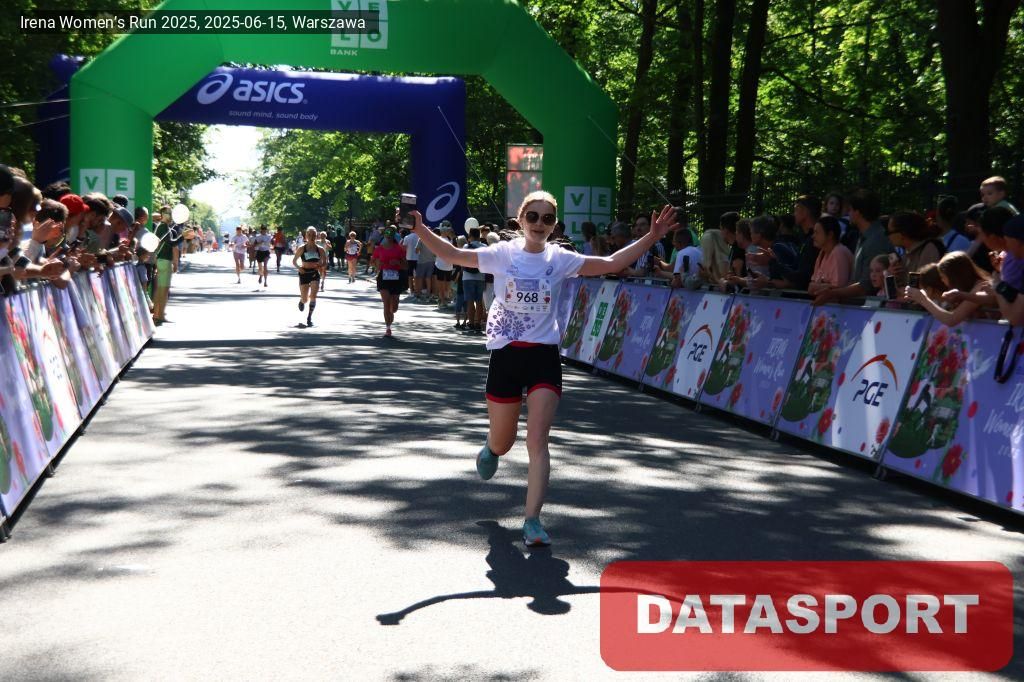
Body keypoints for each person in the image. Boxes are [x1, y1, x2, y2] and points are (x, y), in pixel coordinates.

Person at [406, 190, 678, 547]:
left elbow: (611, 262)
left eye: (547, 218)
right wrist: (420, 229)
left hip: (544, 357)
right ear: (521, 220)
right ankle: (492, 448)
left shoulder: (560, 259)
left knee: (537, 440)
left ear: (554, 225)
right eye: (532, 217)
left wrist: (652, 237)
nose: (539, 224)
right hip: (506, 355)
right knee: (503, 441)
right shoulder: (502, 254)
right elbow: (453, 255)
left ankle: (532, 520)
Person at [813, 189, 892, 305]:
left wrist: (832, 293)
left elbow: (865, 286)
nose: (847, 214)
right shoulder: (864, 237)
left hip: (869, 309)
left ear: (857, 212)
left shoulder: (875, 241)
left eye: (849, 210)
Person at [904, 252, 994, 327]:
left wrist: (923, 299)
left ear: (954, 276)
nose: (942, 281)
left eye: (943, 277)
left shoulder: (981, 288)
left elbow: (951, 320)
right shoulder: (967, 289)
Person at [887, 211, 945, 286]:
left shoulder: (929, 249)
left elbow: (921, 286)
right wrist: (891, 275)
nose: (888, 236)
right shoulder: (906, 254)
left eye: (889, 232)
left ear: (902, 234)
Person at [370, 226, 407, 337]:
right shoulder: (379, 249)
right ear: (384, 235)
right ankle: (388, 328)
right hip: (383, 277)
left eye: (391, 234)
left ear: (393, 235)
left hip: (396, 278)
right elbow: (372, 262)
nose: (389, 236)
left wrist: (398, 263)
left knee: (394, 307)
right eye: (387, 233)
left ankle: (391, 312)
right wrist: (378, 265)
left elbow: (406, 266)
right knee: (386, 303)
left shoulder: (399, 249)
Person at [807, 215, 854, 295]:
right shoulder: (822, 253)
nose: (813, 236)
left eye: (817, 232)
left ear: (830, 235)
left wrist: (816, 286)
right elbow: (812, 285)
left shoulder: (839, 252)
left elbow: (839, 288)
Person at [292, 227, 326, 327]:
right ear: (306, 236)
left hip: (314, 273)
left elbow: (325, 262)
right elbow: (294, 261)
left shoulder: (320, 249)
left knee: (313, 296)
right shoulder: (302, 248)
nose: (312, 237)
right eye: (310, 235)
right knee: (305, 299)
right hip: (304, 273)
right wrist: (299, 268)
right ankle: (302, 301)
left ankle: (309, 317)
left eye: (314, 235)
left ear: (316, 236)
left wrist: (320, 266)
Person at [462, 226, 487, 333]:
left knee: (470, 301)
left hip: (467, 277)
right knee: (479, 301)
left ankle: (471, 323)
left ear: (470, 236)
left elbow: (462, 261)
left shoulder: (466, 246)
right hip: (481, 277)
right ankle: (478, 323)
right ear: (479, 235)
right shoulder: (484, 247)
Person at [403, 225, 420, 296]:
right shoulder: (419, 237)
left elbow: (404, 248)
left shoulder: (407, 237)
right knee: (417, 275)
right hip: (417, 258)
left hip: (409, 258)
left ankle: (411, 290)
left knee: (410, 274)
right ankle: (417, 289)